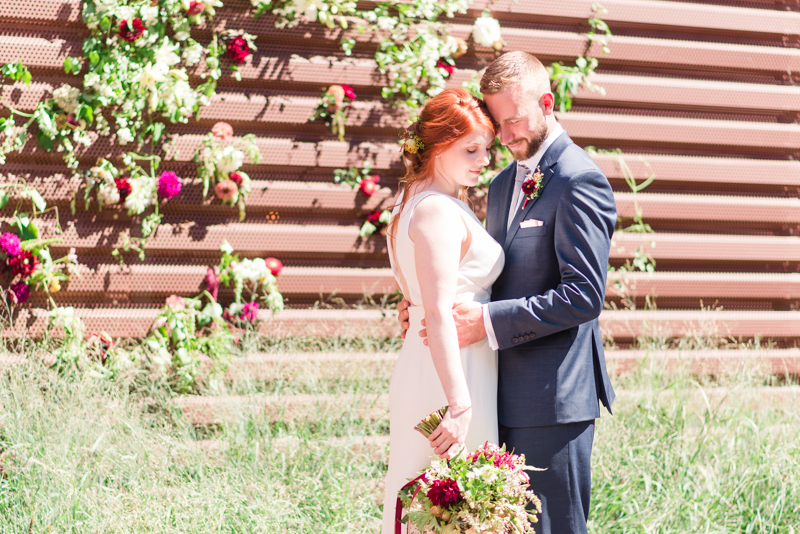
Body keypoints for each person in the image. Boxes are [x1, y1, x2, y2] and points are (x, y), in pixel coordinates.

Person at [397, 51, 617, 534]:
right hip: (491, 389)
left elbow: (583, 295)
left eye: (515, 120)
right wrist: (424, 300)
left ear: (547, 101)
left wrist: (486, 322)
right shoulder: (499, 185)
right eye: (498, 124)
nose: (507, 135)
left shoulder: (581, 180)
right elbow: (488, 273)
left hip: (551, 399)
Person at [380, 88, 504, 534]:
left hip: (442, 363)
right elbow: (434, 308)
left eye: (486, 149)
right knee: (443, 509)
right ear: (436, 147)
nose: (482, 160)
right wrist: (459, 402)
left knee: (455, 513)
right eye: (470, 149)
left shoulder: (420, 201)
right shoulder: (435, 210)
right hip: (449, 375)